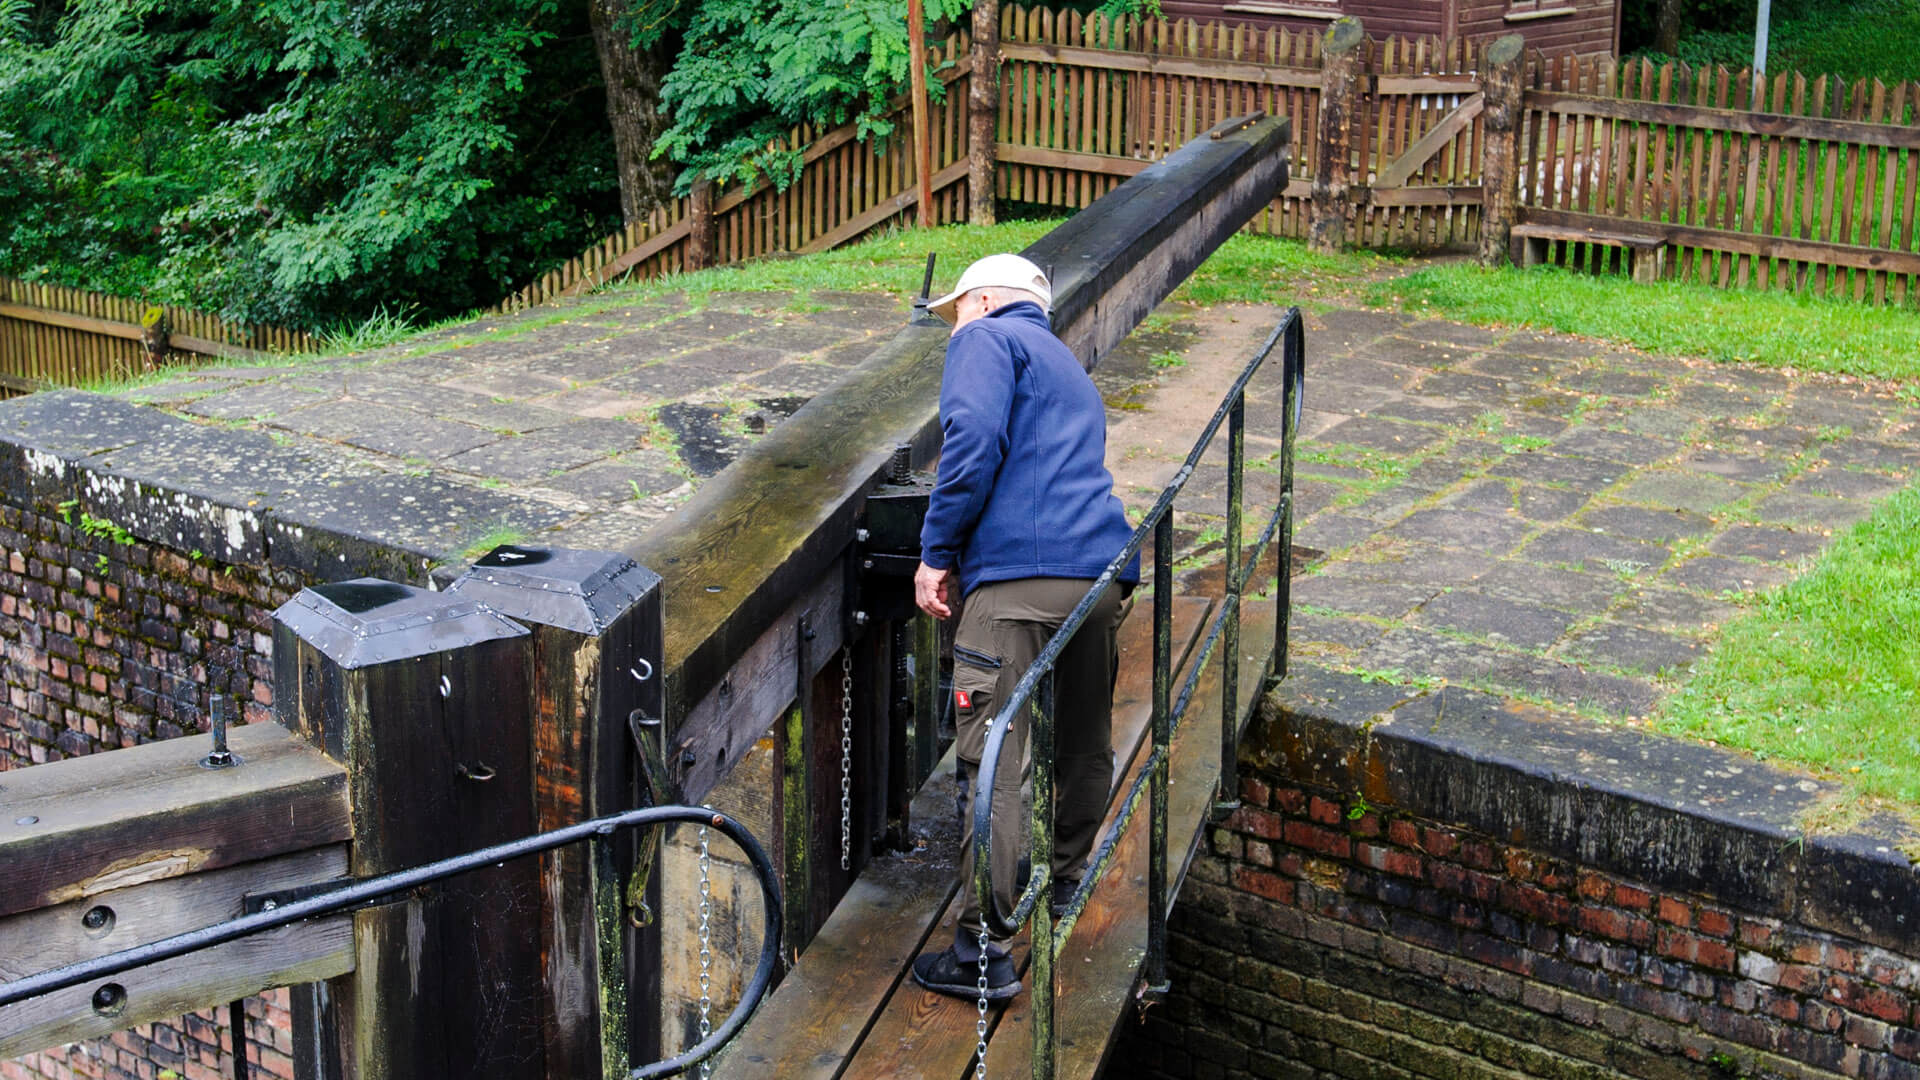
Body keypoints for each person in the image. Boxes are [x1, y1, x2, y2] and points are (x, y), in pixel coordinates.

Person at [908, 253, 1140, 1002]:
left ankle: (983, 950)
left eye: (955, 312)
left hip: (1018, 581)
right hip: (1100, 575)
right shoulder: (1064, 362)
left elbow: (972, 439)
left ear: (982, 301)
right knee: (1083, 737)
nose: (954, 328)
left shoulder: (985, 339)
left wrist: (936, 554)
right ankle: (1065, 882)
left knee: (994, 758)